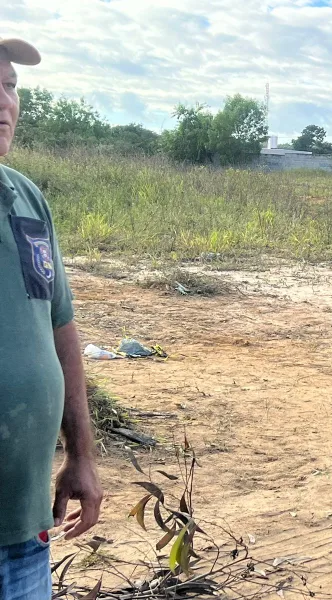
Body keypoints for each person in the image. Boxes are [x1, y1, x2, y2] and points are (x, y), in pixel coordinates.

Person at [0, 37, 102, 599]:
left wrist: (81, 454)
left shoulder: (27, 200)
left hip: (24, 527)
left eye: (10, 86)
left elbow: (59, 327)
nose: (5, 102)